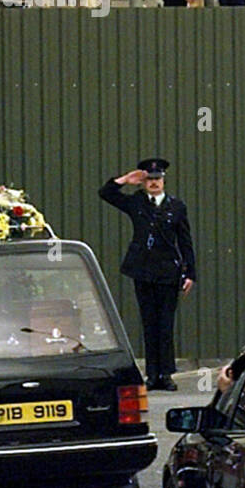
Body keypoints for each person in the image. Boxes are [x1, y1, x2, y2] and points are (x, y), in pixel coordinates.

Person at [99, 158, 195, 391]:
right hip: (143, 271)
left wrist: (190, 273)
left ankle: (166, 374)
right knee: (149, 322)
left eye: (157, 179)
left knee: (166, 323)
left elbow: (185, 241)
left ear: (164, 180)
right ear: (144, 182)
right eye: (149, 179)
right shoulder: (137, 203)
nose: (154, 183)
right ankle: (152, 375)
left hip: (168, 272)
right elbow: (106, 193)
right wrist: (124, 180)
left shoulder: (176, 207)